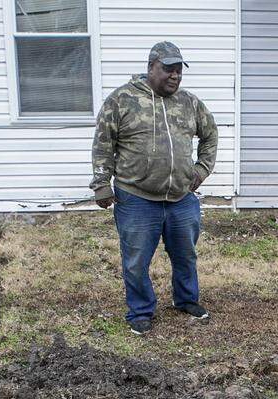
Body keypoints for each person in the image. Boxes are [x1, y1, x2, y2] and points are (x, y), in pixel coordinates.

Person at [90, 41, 218, 336]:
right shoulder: (121, 100)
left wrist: (201, 170)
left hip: (180, 198)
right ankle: (140, 310)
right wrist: (101, 184)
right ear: (151, 68)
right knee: (135, 260)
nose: (174, 76)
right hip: (136, 198)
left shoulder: (189, 103)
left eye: (178, 71)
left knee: (186, 254)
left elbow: (210, 136)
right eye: (168, 70)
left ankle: (185, 299)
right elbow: (103, 144)